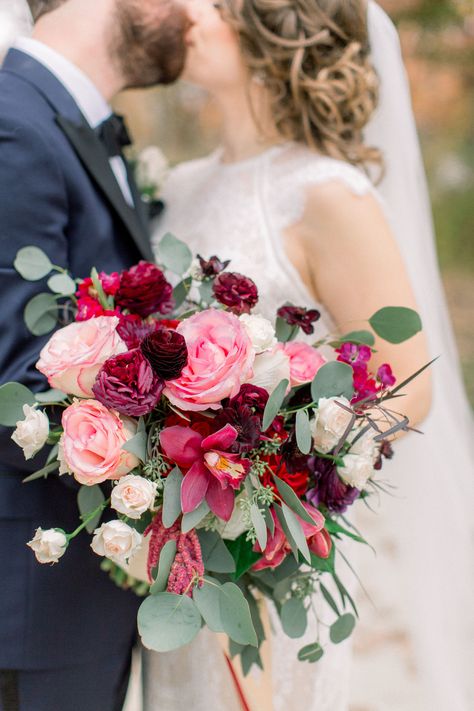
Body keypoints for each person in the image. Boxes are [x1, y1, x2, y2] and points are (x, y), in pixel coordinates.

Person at [148, 0, 473, 709]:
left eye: (219, 5)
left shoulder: (326, 196)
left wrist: (271, 484)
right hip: (185, 554)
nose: (189, 11)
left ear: (274, 31)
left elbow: (407, 383)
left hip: (275, 558)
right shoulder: (177, 185)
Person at [0, 1, 190, 710]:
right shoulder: (15, 124)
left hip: (77, 611)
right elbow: (13, 393)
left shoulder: (61, 120)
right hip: (28, 614)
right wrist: (204, 422)